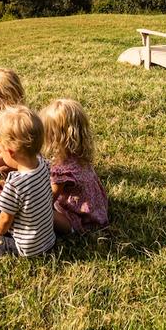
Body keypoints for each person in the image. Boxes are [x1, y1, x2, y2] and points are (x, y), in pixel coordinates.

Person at [0, 106, 56, 258]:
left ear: (10, 152)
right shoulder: (43, 164)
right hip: (48, 240)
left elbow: (5, 219)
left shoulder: (15, 183)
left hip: (28, 248)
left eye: (1, 151)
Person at [40, 98, 109, 234]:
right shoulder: (79, 156)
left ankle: (72, 229)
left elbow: (47, 201)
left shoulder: (62, 171)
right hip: (97, 212)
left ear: (54, 137)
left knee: (40, 212)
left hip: (80, 220)